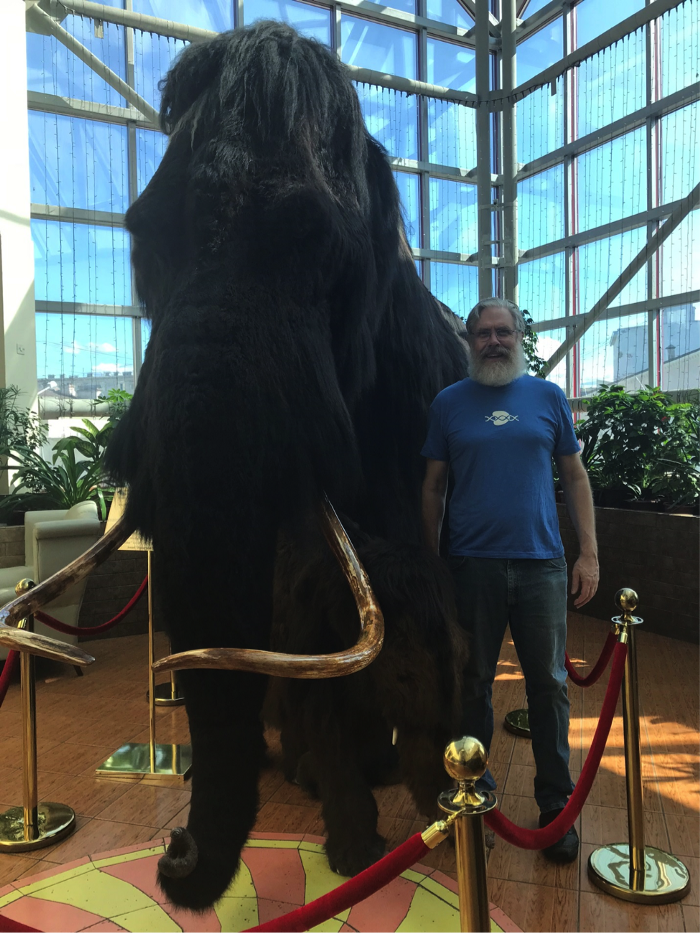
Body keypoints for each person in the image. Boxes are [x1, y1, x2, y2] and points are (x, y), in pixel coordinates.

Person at [421, 297, 598, 863]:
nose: (494, 341)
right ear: (469, 342)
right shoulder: (449, 404)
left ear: (521, 335)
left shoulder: (548, 397)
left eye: (504, 332)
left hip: (541, 564)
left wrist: (588, 553)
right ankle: (472, 790)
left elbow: (574, 474)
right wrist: (431, 558)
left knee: (548, 685)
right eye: (483, 335)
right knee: (471, 683)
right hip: (471, 566)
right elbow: (431, 487)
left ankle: (555, 806)